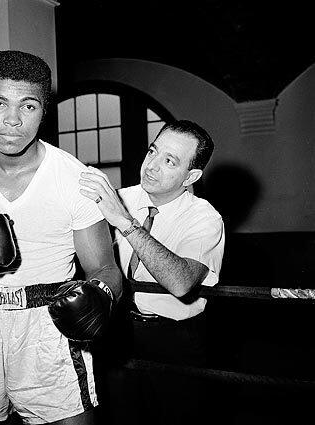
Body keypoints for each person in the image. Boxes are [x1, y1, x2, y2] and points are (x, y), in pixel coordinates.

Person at [0, 50, 122, 425]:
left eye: (28, 106)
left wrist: (100, 295)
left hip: (51, 328)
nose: (12, 121)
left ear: (44, 109)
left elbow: (106, 268)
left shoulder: (74, 178)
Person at [79, 120, 225, 424]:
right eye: (153, 151)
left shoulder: (205, 219)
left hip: (174, 340)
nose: (152, 166)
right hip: (117, 330)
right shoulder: (122, 198)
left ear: (191, 176)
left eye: (169, 161)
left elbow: (181, 282)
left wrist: (125, 223)